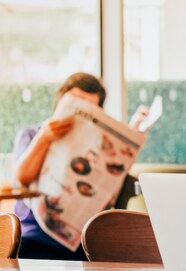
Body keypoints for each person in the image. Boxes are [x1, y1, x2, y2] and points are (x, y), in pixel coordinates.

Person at [12, 72, 148, 260]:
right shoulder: (31, 133)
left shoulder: (97, 149)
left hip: (79, 242)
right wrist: (44, 137)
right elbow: (22, 178)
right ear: (61, 99)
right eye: (76, 101)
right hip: (34, 237)